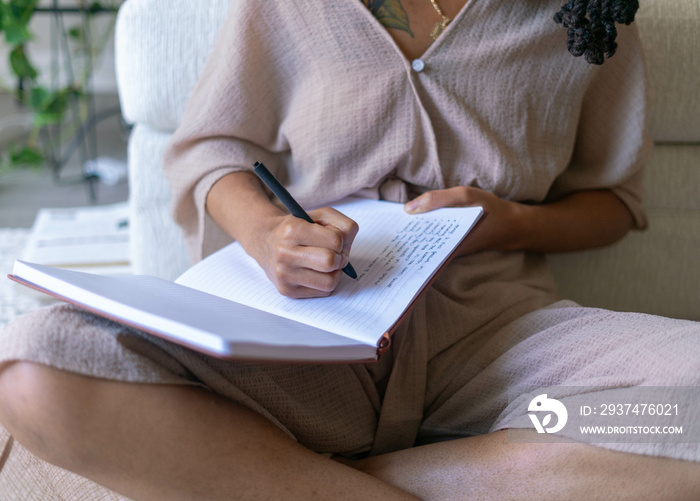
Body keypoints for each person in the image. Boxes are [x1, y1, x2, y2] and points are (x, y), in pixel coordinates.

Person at [1, 0, 699, 499]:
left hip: (502, 352)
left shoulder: (589, 17)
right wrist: (269, 233)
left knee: (687, 412)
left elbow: (614, 201)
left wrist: (508, 221)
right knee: (33, 368)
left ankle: (311, 478)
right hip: (302, 341)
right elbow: (211, 154)